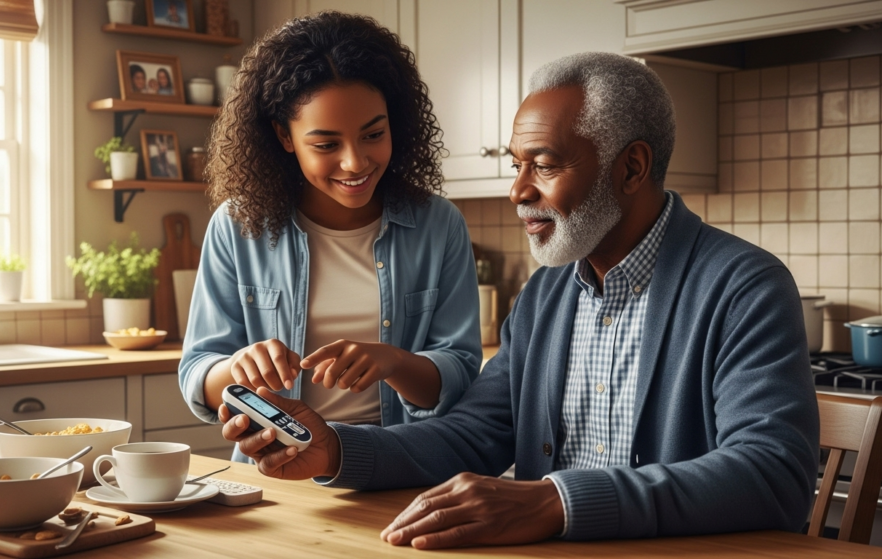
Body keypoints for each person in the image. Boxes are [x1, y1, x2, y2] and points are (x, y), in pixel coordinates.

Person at [220, 52, 820, 549]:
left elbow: (773, 473)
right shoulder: (549, 291)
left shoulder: (743, 285)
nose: (518, 190)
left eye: (546, 165)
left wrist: (555, 501)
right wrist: (335, 450)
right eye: (516, 164)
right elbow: (473, 434)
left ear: (631, 167)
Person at [179, 12, 482, 466]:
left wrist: (395, 363)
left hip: (398, 468)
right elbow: (198, 373)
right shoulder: (238, 225)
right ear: (285, 136)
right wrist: (234, 368)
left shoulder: (439, 225)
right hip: (277, 473)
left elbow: (458, 373)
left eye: (373, 135)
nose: (355, 162)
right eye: (326, 145)